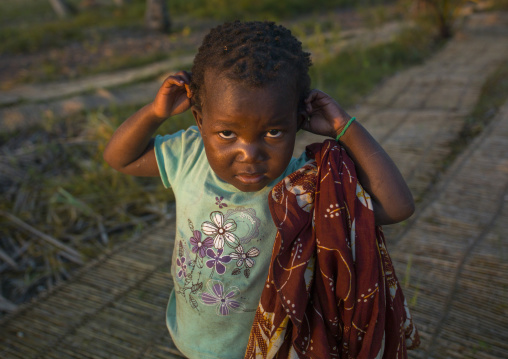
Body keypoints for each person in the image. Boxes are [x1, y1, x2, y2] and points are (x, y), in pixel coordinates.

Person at [103, 20, 415, 359]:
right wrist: (154, 112)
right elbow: (120, 158)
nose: (249, 153)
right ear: (199, 120)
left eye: (273, 133)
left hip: (266, 349)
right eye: (226, 134)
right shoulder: (188, 156)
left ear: (298, 122)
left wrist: (345, 127)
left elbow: (397, 207)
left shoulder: (306, 187)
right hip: (191, 338)